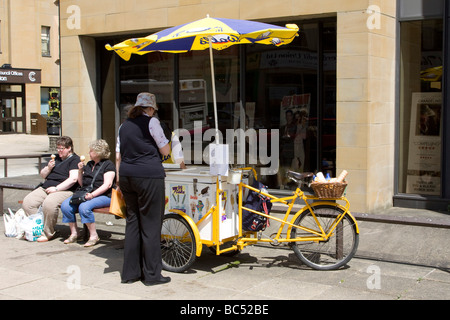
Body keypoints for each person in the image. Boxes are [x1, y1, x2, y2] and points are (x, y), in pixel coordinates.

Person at [116, 92, 171, 286]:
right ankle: (152, 275)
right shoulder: (152, 122)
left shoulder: (123, 126)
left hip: (126, 176)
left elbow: (118, 157)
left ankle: (130, 274)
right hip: (149, 176)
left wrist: (118, 182)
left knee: (133, 223)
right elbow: (165, 150)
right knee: (151, 225)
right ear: (150, 108)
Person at [22, 136, 80, 242]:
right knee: (28, 202)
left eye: (61, 148)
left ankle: (48, 232)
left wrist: (56, 188)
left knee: (49, 203)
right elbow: (43, 175)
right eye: (57, 148)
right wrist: (48, 168)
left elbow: (73, 179)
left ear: (69, 148)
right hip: (46, 187)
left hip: (65, 190)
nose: (59, 151)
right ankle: (37, 228)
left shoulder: (75, 160)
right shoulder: (55, 158)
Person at [61, 139, 116, 247]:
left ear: (98, 152)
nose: (89, 153)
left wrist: (92, 195)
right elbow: (82, 184)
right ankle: (74, 233)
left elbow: (107, 185)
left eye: (91, 151)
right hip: (86, 193)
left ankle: (93, 235)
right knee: (65, 206)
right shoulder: (89, 164)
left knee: (84, 207)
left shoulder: (108, 165)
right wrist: (80, 171)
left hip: (104, 195)